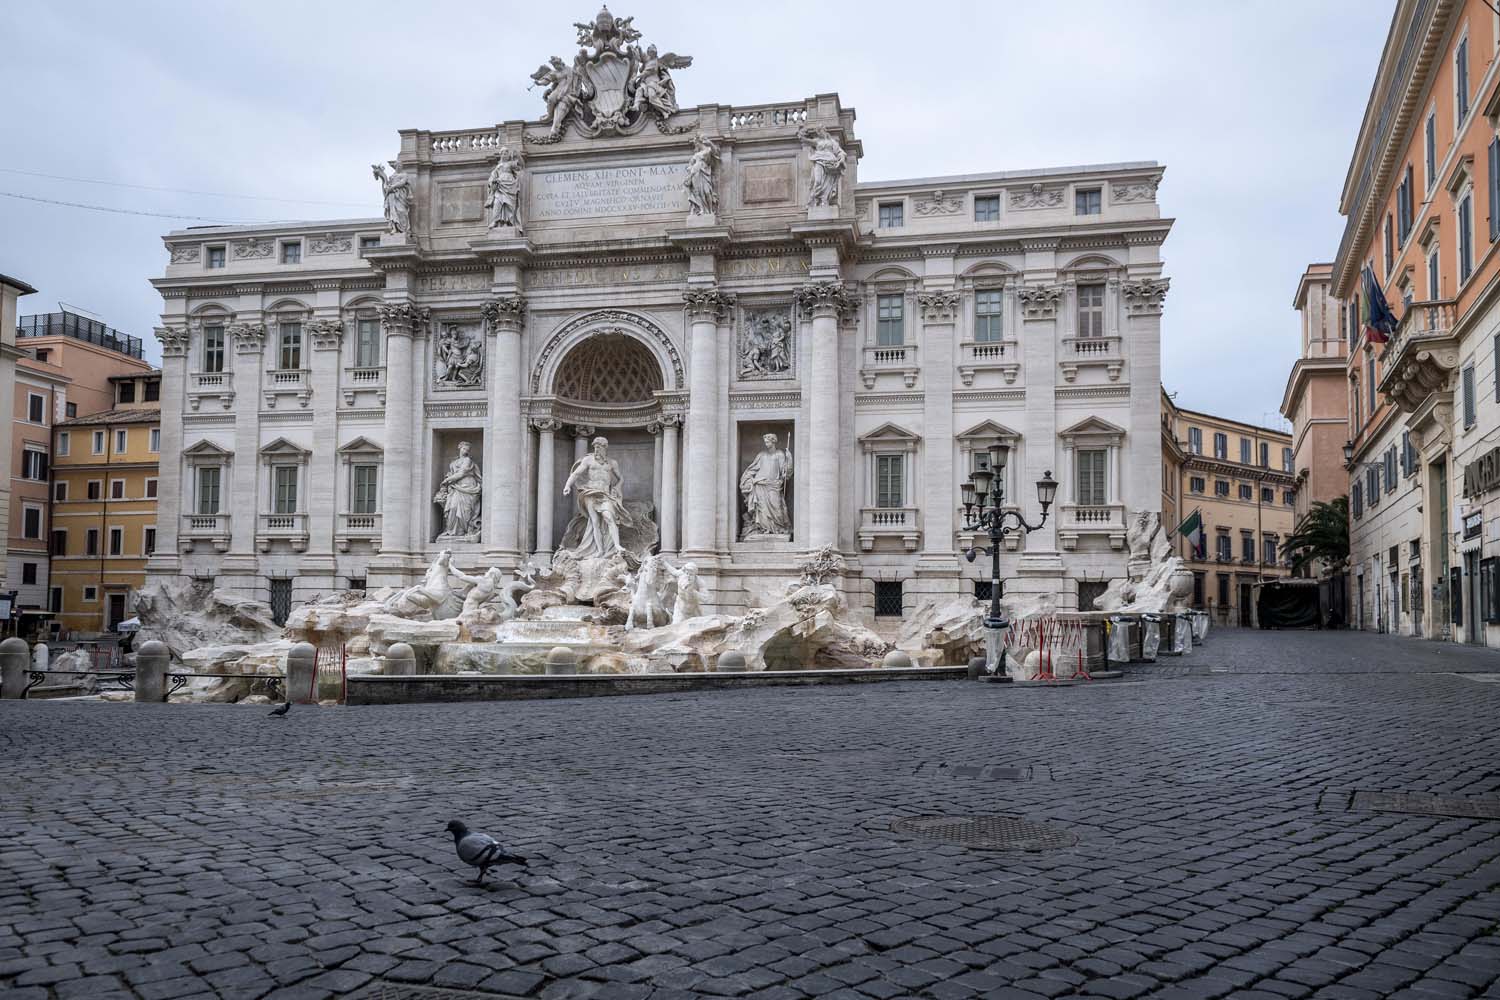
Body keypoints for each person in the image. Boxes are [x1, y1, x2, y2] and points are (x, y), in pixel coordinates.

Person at [562, 437, 630, 559]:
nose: (596, 449)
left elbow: (621, 478)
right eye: (595, 446)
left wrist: (617, 487)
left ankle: (617, 545)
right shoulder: (588, 460)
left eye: (599, 446)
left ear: (605, 447)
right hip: (590, 492)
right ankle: (599, 550)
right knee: (595, 522)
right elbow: (576, 474)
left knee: (609, 517)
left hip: (605, 494)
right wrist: (568, 485)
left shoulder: (612, 463)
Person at [740, 433, 793, 537]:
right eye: (765, 442)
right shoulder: (761, 455)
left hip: (774, 486)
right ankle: (764, 529)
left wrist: (789, 459)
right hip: (760, 485)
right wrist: (750, 480)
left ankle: (778, 528)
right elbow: (752, 470)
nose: (766, 444)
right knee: (762, 510)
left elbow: (785, 472)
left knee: (777, 508)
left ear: (773, 441)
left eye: (768, 442)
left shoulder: (779, 454)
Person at [434, 442, 482, 539]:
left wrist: (447, 480)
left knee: (465, 510)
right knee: (453, 507)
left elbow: (461, 473)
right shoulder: (453, 462)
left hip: (467, 486)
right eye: (464, 449)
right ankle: (451, 531)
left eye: (468, 450)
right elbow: (451, 473)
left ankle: (462, 531)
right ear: (459, 448)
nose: (466, 451)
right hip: (455, 487)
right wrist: (448, 480)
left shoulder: (467, 460)